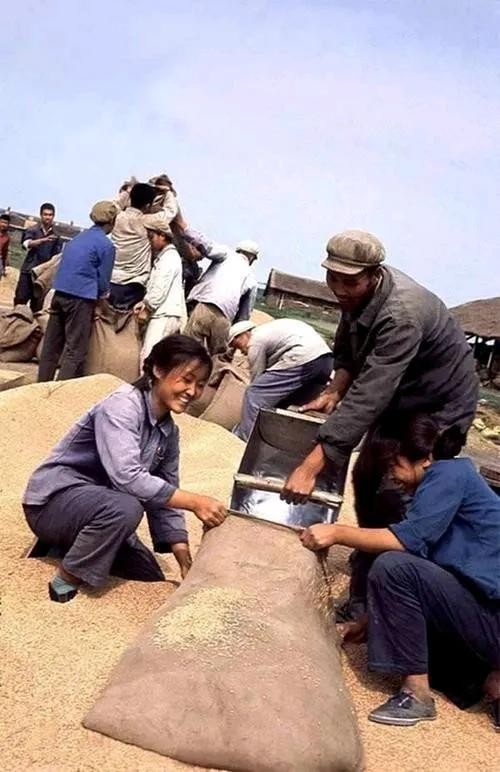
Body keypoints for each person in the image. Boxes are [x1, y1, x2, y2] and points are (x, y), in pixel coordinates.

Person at [282, 229, 478, 618]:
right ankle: (365, 579)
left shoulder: (402, 313)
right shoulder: (355, 296)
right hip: (401, 397)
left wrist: (310, 466)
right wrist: (335, 389)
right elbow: (349, 351)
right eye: (333, 277)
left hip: (440, 405)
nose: (339, 288)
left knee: (398, 490)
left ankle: (396, 597)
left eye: (350, 281)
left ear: (374, 274)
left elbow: (370, 394)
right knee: (367, 476)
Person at [300, 414, 500, 728]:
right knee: (403, 580)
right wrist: (368, 622)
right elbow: (430, 577)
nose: (391, 476)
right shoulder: (444, 483)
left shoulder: (450, 474)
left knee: (393, 566)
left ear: (422, 458)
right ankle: (478, 676)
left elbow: (405, 542)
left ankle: (417, 694)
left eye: (393, 465)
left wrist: (337, 532)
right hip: (484, 612)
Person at [23, 335, 227, 603]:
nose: (192, 391)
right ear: (158, 370)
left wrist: (184, 560)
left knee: (148, 573)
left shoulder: (169, 432)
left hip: (100, 508)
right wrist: (196, 502)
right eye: (186, 380)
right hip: (53, 503)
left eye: (200, 385)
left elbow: (166, 496)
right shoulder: (122, 406)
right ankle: (64, 582)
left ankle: (68, 546)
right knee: (127, 507)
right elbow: (127, 476)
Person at [37, 201, 119, 382]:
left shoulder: (78, 238)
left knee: (51, 346)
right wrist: (102, 302)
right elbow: (103, 282)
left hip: (59, 293)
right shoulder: (106, 246)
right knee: (75, 350)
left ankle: (41, 386)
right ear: (112, 221)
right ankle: (61, 392)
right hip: (80, 298)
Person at [229, 318, 334, 441]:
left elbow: (257, 380)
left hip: (303, 357)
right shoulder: (269, 331)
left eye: (237, 345)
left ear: (243, 334)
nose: (241, 352)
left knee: (254, 393)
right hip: (325, 360)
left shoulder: (256, 340)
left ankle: (244, 439)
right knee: (291, 402)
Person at [172, 210, 259, 355]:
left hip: (205, 306)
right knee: (219, 358)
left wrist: (184, 228)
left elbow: (206, 245)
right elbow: (244, 316)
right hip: (224, 318)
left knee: (188, 350)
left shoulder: (227, 254)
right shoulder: (252, 280)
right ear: (253, 259)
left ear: (238, 250)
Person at [133, 218, 186, 361]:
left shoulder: (169, 258)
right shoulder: (165, 257)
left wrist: (147, 308)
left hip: (163, 315)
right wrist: (143, 303)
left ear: (162, 236)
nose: (150, 241)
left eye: (151, 237)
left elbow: (160, 288)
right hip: (165, 313)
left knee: (149, 357)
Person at [108, 183, 157, 309]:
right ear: (148, 205)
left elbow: (112, 205)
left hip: (111, 280)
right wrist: (167, 193)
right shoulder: (148, 221)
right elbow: (170, 212)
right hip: (134, 285)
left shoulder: (117, 217)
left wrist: (126, 192)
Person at [14, 203, 63, 310]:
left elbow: (56, 257)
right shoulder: (32, 230)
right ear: (41, 215)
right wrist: (43, 240)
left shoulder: (56, 235)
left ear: (53, 216)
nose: (48, 217)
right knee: (20, 301)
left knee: (37, 306)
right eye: (45, 214)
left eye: (50, 215)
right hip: (28, 271)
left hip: (42, 276)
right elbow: (26, 244)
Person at [0, 212, 10, 277]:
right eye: (2, 222)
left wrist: (3, 267)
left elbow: (4, 253)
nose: (3, 224)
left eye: (6, 223)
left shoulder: (7, 238)